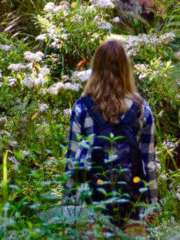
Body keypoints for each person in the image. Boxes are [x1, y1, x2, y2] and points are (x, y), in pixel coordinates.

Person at [64, 39, 159, 232]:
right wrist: (152, 203)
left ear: (96, 68)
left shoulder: (82, 108)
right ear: (126, 69)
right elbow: (149, 162)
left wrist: (68, 204)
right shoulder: (142, 109)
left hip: (91, 206)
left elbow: (73, 160)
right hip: (133, 204)